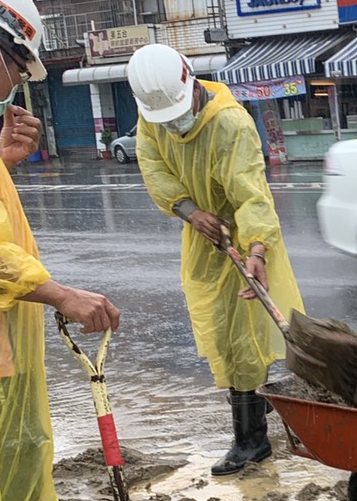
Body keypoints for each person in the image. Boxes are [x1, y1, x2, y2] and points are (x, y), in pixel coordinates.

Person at [0, 0, 121, 501]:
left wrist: (4, 161)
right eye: (15, 68)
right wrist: (63, 294)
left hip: (5, 344)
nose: (15, 87)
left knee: (16, 468)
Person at [128, 44, 304, 476]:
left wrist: (257, 249)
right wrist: (190, 211)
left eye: (176, 113)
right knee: (224, 338)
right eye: (163, 119)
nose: (173, 124)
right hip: (203, 240)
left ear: (192, 84)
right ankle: (257, 416)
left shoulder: (230, 124)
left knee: (246, 341)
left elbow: (252, 193)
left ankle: (252, 441)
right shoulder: (153, 115)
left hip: (245, 239)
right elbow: (153, 168)